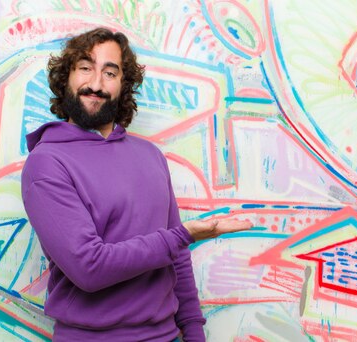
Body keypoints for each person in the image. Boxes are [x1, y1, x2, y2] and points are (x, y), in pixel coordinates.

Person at [21, 27, 251, 341]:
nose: (96, 83)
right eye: (85, 68)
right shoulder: (47, 162)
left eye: (110, 72)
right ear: (66, 79)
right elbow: (89, 268)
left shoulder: (150, 156)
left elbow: (177, 256)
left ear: (123, 85)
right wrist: (180, 237)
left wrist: (194, 331)